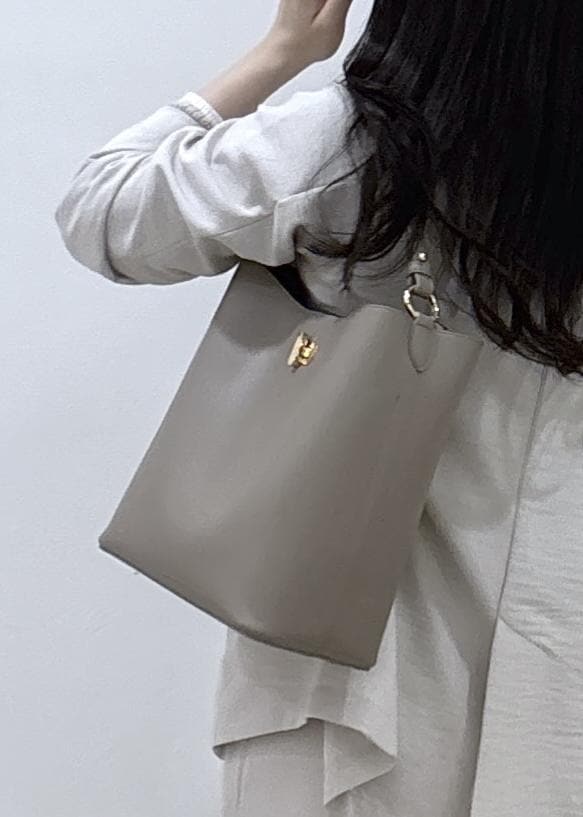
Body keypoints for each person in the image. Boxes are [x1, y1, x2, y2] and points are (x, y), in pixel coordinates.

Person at [54, 0, 583, 814]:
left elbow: (104, 210)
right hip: (549, 678)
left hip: (346, 690)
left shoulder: (358, 145)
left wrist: (281, 50)